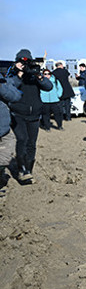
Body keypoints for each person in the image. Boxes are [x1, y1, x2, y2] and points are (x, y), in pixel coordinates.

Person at [8, 49, 53, 185]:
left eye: (25, 61)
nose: (24, 65)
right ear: (16, 62)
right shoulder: (12, 74)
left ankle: (29, 170)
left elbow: (48, 86)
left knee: (31, 143)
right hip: (17, 114)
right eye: (21, 62)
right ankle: (21, 170)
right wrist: (20, 74)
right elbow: (10, 87)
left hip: (34, 114)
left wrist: (39, 75)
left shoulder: (34, 75)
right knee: (22, 139)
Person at [0, 75, 22, 196]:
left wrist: (1, 87)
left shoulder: (3, 81)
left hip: (3, 128)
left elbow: (15, 96)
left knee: (5, 156)